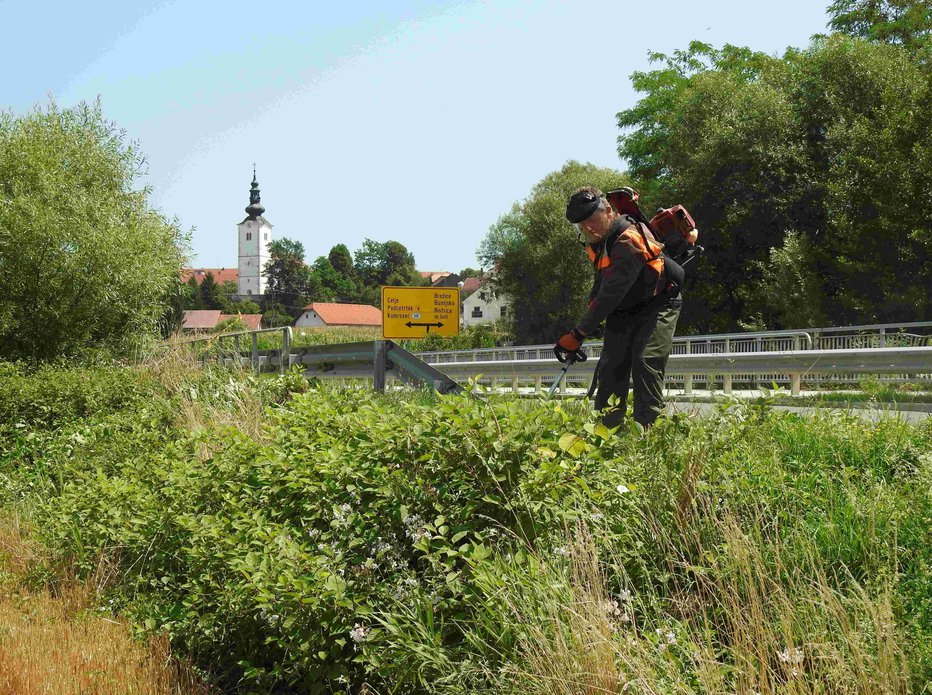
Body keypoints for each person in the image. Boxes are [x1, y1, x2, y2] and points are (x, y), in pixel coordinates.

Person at [554, 186, 697, 429]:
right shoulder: (598, 242)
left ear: (608, 211)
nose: (588, 228)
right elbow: (602, 282)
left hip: (659, 303)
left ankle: (648, 437)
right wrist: (592, 303)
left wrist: (578, 334)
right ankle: (606, 436)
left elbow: (611, 294)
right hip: (626, 307)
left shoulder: (628, 239)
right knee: (610, 370)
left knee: (645, 361)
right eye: (581, 225)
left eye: (592, 220)